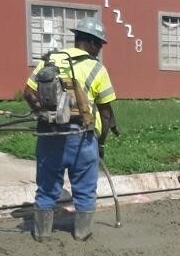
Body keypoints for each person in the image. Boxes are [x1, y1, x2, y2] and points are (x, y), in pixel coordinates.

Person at [23, 17, 117, 241]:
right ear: (93, 43)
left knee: (46, 187)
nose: (99, 50)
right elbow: (105, 111)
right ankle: (82, 234)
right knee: (84, 188)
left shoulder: (50, 61)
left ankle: (42, 234)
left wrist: (45, 115)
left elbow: (28, 92)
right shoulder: (97, 69)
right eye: (100, 45)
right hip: (81, 137)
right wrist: (101, 141)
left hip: (48, 134)